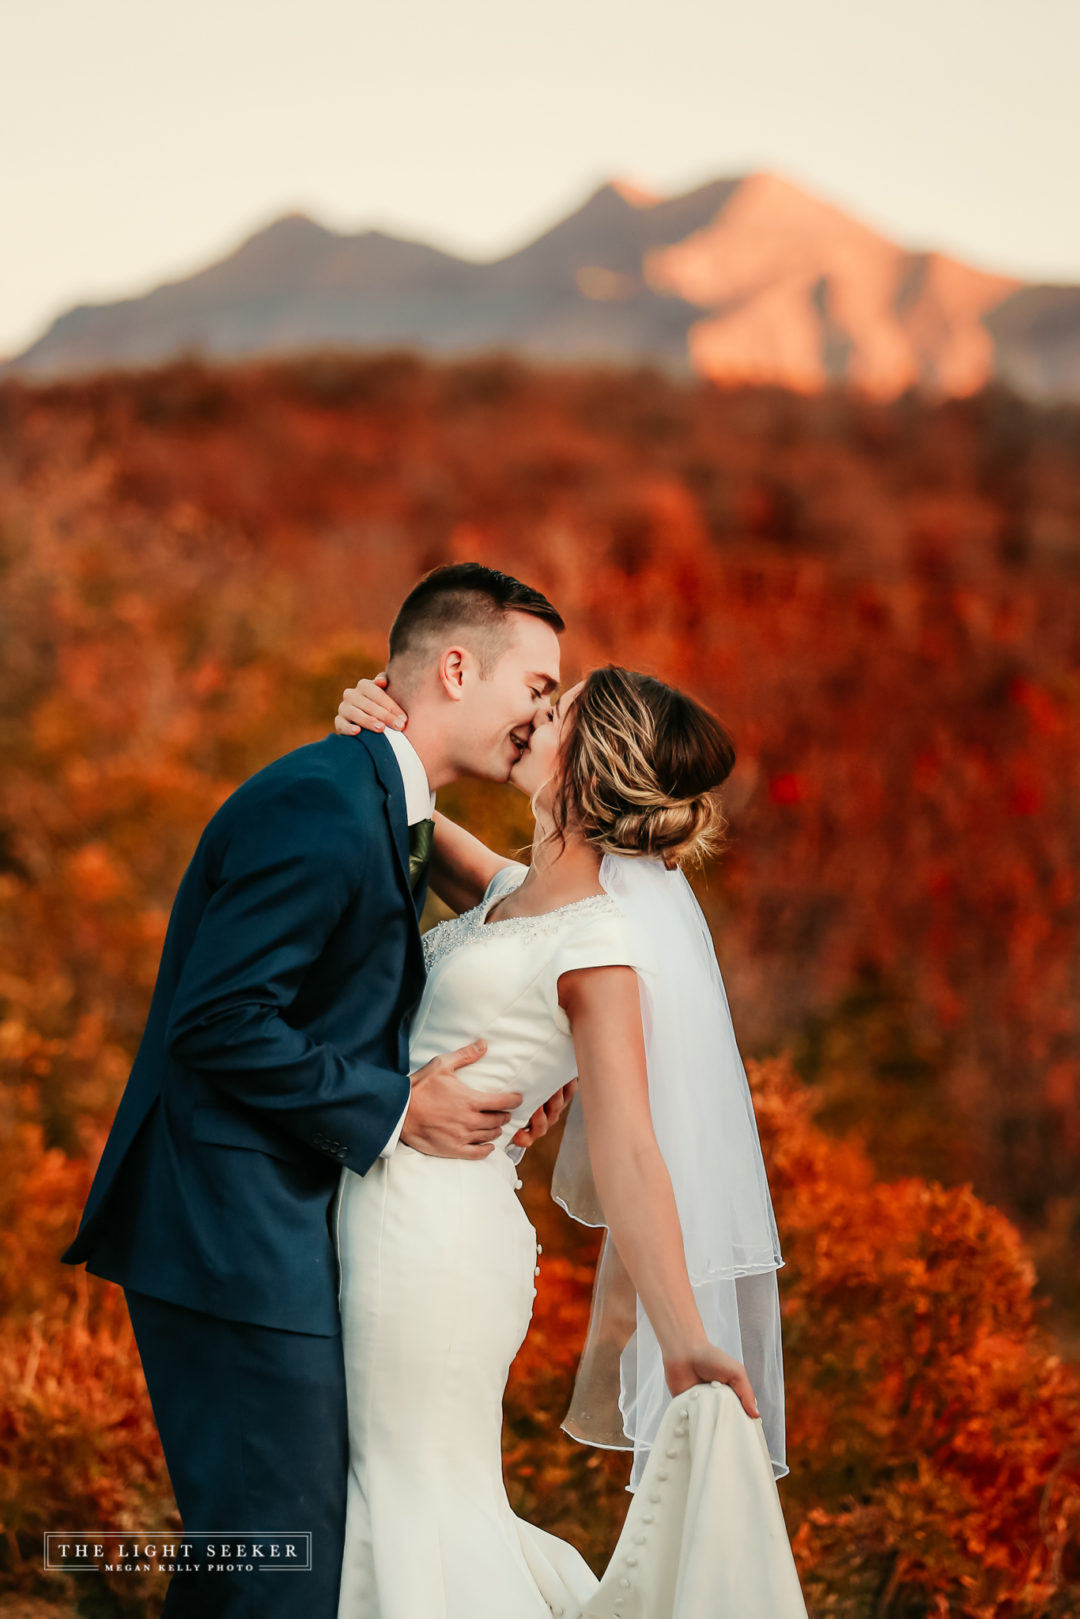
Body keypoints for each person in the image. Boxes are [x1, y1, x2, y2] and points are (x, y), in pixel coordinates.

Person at [60, 563, 580, 1619]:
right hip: (230, 1235)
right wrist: (398, 1107)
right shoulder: (322, 802)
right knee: (279, 1566)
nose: (540, 714)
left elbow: (343, 993)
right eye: (536, 684)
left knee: (278, 1562)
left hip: (281, 1228)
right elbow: (220, 1020)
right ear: (453, 665)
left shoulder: (382, 803)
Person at [331, 663, 808, 1617]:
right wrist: (368, 729)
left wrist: (684, 1337)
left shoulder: (600, 947)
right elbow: (404, 823)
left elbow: (632, 1150)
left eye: (550, 714)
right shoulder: (512, 893)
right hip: (384, 1201)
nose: (525, 721)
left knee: (408, 1496)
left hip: (434, 1238)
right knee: (385, 1491)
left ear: (587, 764)